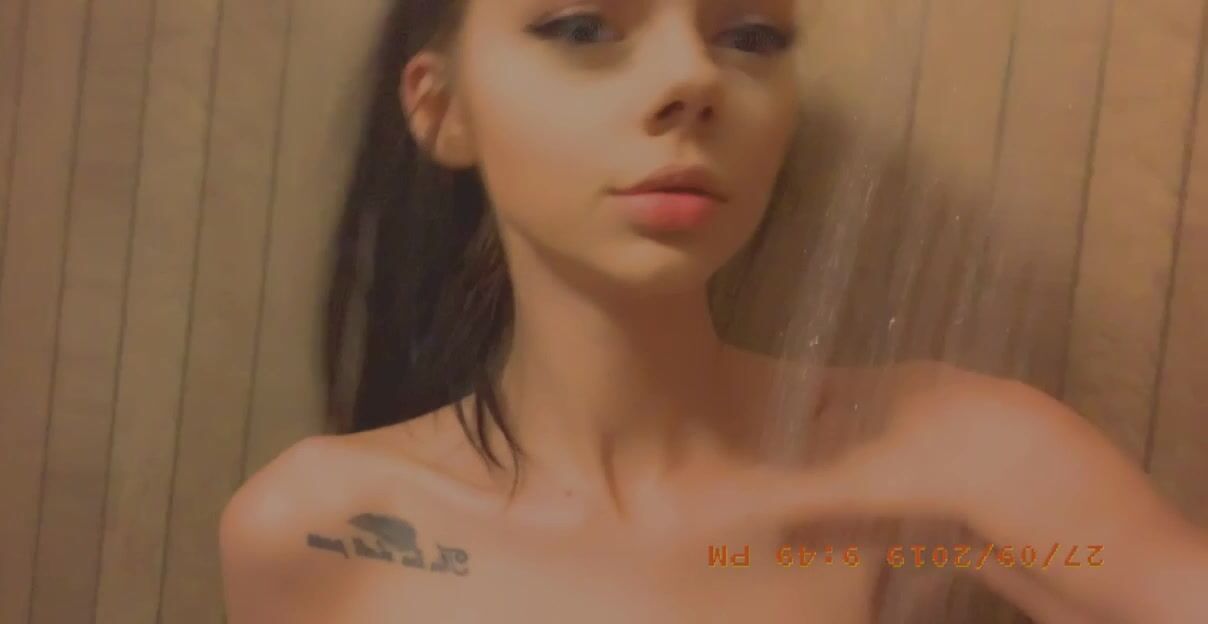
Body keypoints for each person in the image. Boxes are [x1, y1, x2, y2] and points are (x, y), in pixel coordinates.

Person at [218, 1, 1208, 622]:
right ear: (442, 109)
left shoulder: (953, 459)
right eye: (582, 28)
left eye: (748, 36)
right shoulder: (321, 528)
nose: (692, 80)